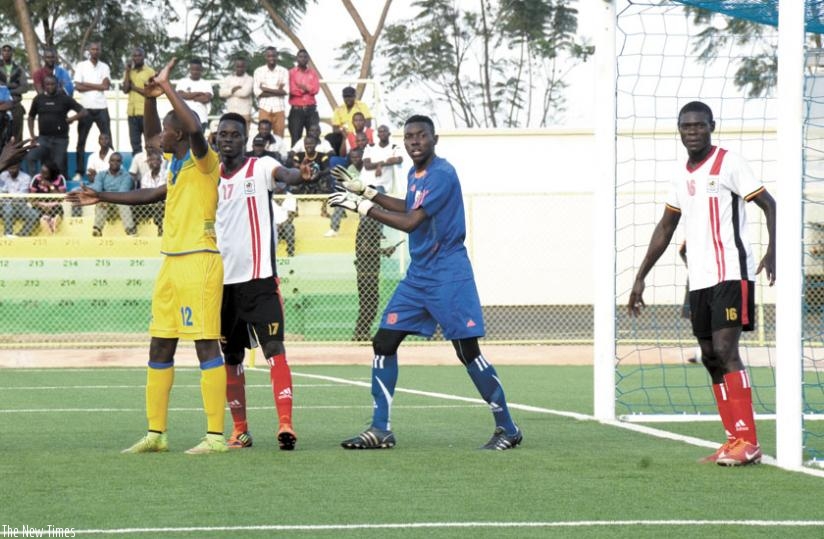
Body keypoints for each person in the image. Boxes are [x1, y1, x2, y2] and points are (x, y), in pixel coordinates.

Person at [328, 114, 522, 450]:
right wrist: (368, 191)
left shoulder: (443, 174)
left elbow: (411, 222)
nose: (415, 141)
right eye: (410, 137)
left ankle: (508, 428)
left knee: (467, 351)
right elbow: (408, 205)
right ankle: (380, 429)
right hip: (419, 275)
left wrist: (361, 207)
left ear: (435, 139)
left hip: (448, 275)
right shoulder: (415, 174)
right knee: (384, 343)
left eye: (421, 136)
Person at [68, 58, 228, 455]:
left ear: (177, 136)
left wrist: (168, 89)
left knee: (207, 345)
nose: (158, 142)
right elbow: (150, 180)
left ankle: (215, 437)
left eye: (165, 136)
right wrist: (100, 195)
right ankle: (156, 434)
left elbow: (191, 126)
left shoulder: (206, 162)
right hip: (172, 263)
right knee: (160, 345)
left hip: (200, 262)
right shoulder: (174, 165)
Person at [627, 101, 776, 467]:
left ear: (711, 125)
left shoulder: (730, 163)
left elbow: (770, 204)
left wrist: (774, 251)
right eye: (685, 126)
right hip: (700, 280)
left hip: (731, 273)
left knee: (726, 352)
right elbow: (666, 228)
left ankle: (749, 441)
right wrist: (640, 277)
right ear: (679, 130)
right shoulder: (681, 176)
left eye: (698, 125)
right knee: (710, 357)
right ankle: (733, 439)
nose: (692, 132)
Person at [212, 112, 311, 450]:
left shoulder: (261, 166)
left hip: (260, 281)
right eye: (222, 134)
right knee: (232, 357)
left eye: (234, 134)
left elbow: (287, 174)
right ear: (215, 138)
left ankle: (286, 424)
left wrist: (299, 175)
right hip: (222, 286)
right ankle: (240, 429)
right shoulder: (209, 177)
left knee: (273, 349)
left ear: (245, 138)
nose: (228, 139)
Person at [25, 74, 86, 178]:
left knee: (58, 166)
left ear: (57, 85)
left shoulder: (65, 99)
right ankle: (35, 182)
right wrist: (32, 135)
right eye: (47, 84)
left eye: (52, 84)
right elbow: (30, 117)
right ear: (44, 86)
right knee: (30, 157)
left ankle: (57, 189)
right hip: (43, 139)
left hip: (60, 140)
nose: (50, 86)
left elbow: (83, 111)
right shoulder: (38, 99)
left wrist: (71, 119)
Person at [73, 42, 111, 184]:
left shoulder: (105, 66)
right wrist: (98, 86)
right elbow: (77, 86)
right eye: (93, 49)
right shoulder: (81, 65)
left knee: (108, 140)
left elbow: (106, 86)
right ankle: (79, 171)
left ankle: (110, 170)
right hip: (85, 109)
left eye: (97, 49)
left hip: (102, 108)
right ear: (89, 51)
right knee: (81, 142)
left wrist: (87, 84)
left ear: (100, 51)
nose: (95, 51)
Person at [88, 152, 136, 236]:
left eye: (118, 161)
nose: (115, 163)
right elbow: (97, 189)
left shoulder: (126, 176)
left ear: (121, 163)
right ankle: (97, 229)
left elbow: (122, 194)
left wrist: (105, 197)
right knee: (101, 202)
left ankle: (130, 230)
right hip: (107, 207)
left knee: (123, 203)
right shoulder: (101, 175)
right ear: (109, 162)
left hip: (121, 205)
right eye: (112, 160)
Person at [121, 47, 155, 156]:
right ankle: (138, 169)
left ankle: (150, 169)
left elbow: (150, 92)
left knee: (149, 144)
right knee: (135, 144)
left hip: (146, 112)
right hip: (132, 113)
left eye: (139, 55)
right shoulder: (129, 72)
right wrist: (127, 72)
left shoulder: (150, 72)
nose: (136, 58)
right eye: (134, 56)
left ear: (143, 56)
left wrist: (134, 87)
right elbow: (125, 90)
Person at [253, 47, 289, 138]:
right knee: (263, 136)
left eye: (273, 55)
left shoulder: (284, 71)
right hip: (264, 107)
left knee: (279, 137)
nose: (271, 58)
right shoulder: (259, 71)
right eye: (269, 56)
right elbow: (257, 92)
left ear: (277, 56)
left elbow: (286, 91)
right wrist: (278, 91)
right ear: (265, 57)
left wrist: (266, 89)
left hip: (279, 108)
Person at [287, 49, 320, 146]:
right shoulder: (291, 73)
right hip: (297, 110)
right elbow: (292, 90)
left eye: (305, 57)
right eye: (300, 57)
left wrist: (303, 87)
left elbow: (316, 90)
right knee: (296, 138)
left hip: (311, 110)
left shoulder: (313, 73)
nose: (303, 59)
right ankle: (295, 160)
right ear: (297, 58)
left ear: (308, 59)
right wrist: (306, 90)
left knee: (314, 137)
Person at [362, 125, 403, 193]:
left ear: (389, 134)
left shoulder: (394, 147)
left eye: (385, 131)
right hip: (368, 183)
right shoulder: (369, 147)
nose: (382, 133)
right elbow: (367, 166)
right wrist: (382, 163)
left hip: (383, 186)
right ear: (378, 135)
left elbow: (399, 160)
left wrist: (380, 164)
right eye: (380, 132)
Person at [0, 162, 38, 236]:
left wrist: (8, 194)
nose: (11, 170)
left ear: (18, 167)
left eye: (13, 168)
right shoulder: (3, 175)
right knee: (8, 209)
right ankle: (8, 234)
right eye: (9, 168)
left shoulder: (26, 177)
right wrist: (8, 195)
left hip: (20, 205)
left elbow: (22, 195)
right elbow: (1, 191)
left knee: (34, 215)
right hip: (4, 204)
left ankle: (21, 235)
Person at [28, 161, 66, 234]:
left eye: (45, 173)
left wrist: (50, 185)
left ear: (52, 172)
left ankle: (53, 221)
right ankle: (48, 223)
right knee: (37, 212)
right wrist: (42, 205)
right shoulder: (36, 178)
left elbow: (61, 197)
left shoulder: (60, 178)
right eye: (41, 171)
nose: (42, 174)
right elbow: (31, 198)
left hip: (54, 205)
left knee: (58, 209)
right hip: (39, 206)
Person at [176, 58, 213, 132]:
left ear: (201, 70)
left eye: (197, 70)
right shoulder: (182, 82)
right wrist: (197, 94)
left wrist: (189, 96)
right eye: (193, 69)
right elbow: (180, 95)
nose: (195, 72)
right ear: (189, 70)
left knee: (199, 142)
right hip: (185, 118)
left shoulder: (206, 84)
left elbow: (206, 99)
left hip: (201, 119)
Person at [0, 44, 28, 142]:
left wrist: (7, 89)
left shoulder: (19, 69)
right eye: (4, 50)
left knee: (17, 132)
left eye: (9, 50)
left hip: (14, 102)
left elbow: (24, 87)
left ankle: (17, 152)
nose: (6, 52)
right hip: (0, 102)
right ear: (1, 52)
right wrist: (14, 85)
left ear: (12, 53)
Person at [219, 57, 254, 127]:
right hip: (231, 112)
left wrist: (229, 92)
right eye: (238, 66)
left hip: (244, 113)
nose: (240, 69)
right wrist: (232, 90)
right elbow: (221, 93)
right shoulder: (228, 78)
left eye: (242, 67)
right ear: (234, 67)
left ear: (245, 67)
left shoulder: (250, 79)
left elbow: (244, 93)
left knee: (245, 135)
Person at [138, 148, 165, 236]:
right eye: (152, 159)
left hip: (163, 204)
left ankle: (160, 227)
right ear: (149, 162)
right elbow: (144, 192)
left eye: (157, 159)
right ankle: (134, 230)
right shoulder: (145, 176)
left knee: (160, 205)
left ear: (161, 162)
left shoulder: (166, 175)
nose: (155, 162)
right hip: (148, 204)